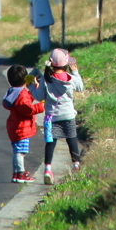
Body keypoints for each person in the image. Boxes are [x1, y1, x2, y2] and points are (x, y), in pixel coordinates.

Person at [30, 48, 84, 185]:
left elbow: (39, 96)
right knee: (71, 139)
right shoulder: (70, 78)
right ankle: (76, 165)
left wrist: (33, 87)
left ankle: (48, 169)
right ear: (66, 64)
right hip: (68, 115)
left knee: (50, 143)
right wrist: (75, 72)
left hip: (51, 117)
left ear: (51, 63)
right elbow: (80, 87)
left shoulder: (45, 79)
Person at [3, 64, 44, 183]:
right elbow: (27, 109)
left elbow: (24, 101)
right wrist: (41, 106)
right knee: (20, 152)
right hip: (22, 127)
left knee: (17, 151)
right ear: (24, 79)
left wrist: (32, 92)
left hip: (14, 126)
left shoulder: (14, 91)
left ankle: (16, 173)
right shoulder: (22, 94)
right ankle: (20, 173)